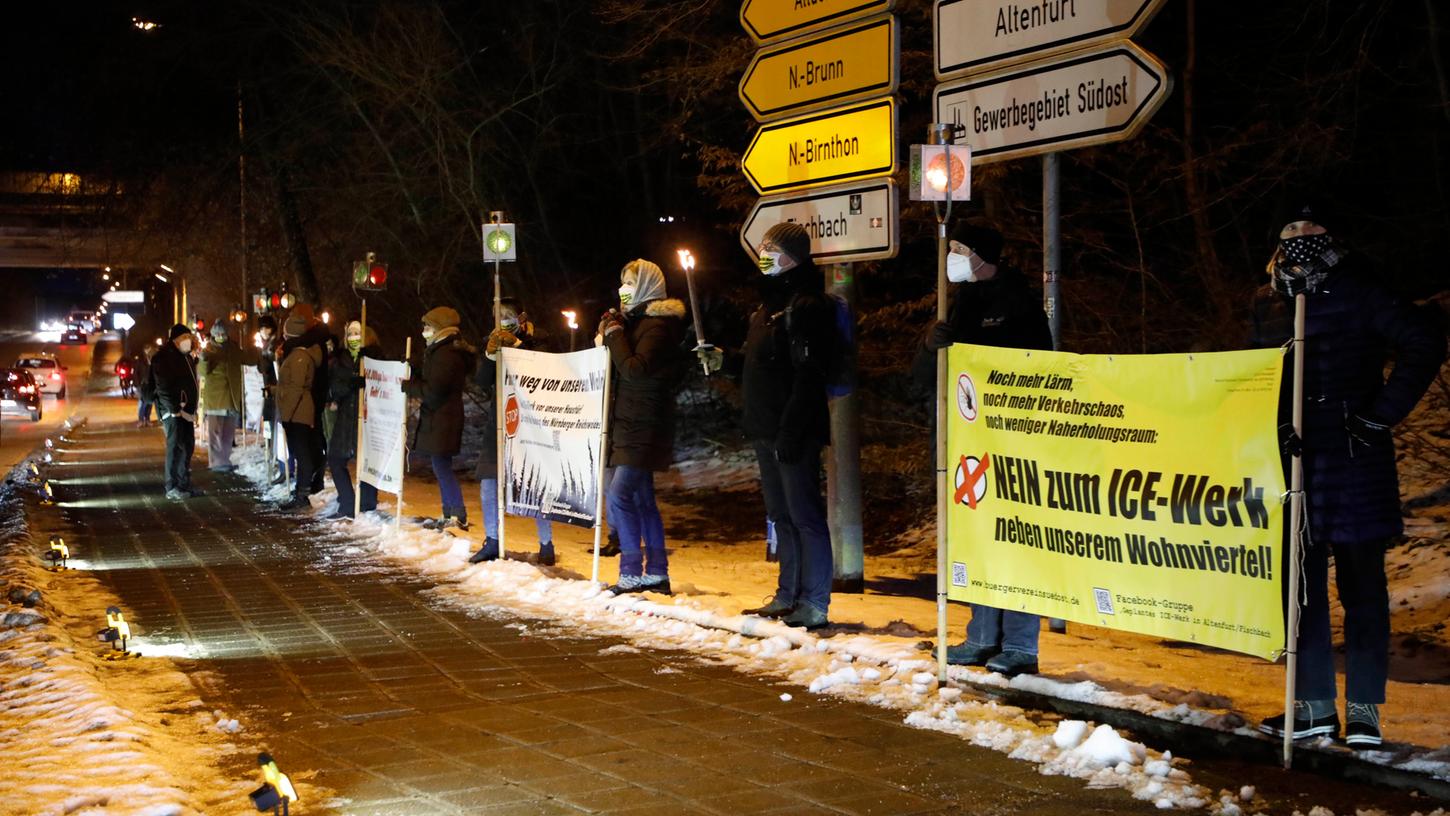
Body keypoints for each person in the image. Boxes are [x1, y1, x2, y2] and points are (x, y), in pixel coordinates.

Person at [1250, 200, 1444, 748]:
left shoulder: (1360, 287)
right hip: (1295, 465)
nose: (1302, 238)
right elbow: (1254, 375)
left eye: (1313, 229)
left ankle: (1364, 711)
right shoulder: (1269, 302)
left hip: (1356, 461)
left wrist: (1379, 414)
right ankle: (1311, 706)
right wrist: (1270, 425)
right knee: (1300, 590)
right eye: (1291, 229)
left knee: (1363, 589)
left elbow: (1424, 340)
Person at [915, 223, 1054, 678]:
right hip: (974, 439)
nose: (952, 256)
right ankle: (981, 637)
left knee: (1017, 541)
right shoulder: (966, 300)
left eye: (960, 249)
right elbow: (932, 372)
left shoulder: (1018, 300)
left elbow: (1038, 364)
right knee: (981, 541)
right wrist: (932, 344)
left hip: (1015, 438)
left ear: (983, 255)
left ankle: (1019, 644)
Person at [737, 223, 836, 629]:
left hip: (793, 430)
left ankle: (815, 601)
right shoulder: (766, 309)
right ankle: (787, 594)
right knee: (781, 515)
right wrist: (724, 361)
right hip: (766, 428)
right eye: (762, 246)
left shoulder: (807, 306)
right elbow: (764, 366)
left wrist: (792, 431)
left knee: (805, 515)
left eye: (772, 247)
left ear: (793, 256)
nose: (762, 252)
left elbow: (808, 375)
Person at [599, 259, 685, 595]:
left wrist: (617, 335)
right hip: (631, 422)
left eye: (631, 284)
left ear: (648, 287)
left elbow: (636, 369)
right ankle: (658, 573)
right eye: (622, 283)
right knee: (642, 499)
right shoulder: (639, 323)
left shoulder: (657, 327)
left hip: (645, 424)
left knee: (619, 495)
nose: (623, 290)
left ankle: (631, 570)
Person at [469, 298, 558, 565]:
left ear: (521, 316)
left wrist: (518, 348)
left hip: (530, 423)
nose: (503, 320)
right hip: (500, 420)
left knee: (534, 485)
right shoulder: (494, 341)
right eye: (498, 315)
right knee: (489, 481)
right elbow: (481, 382)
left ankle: (546, 543)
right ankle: (493, 540)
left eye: (507, 315)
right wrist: (489, 355)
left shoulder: (539, 341)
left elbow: (544, 373)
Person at [404, 306, 476, 530]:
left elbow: (435, 390)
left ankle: (456, 513)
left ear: (439, 328)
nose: (424, 331)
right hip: (443, 418)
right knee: (441, 466)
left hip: (443, 419)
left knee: (442, 467)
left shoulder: (445, 354)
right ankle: (451, 511)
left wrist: (410, 386)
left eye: (427, 326)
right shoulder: (441, 351)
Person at [326, 320, 383, 520]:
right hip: (346, 417)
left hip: (369, 416)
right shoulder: (340, 359)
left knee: (367, 461)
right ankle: (348, 502)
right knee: (335, 459)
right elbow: (334, 387)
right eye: (349, 334)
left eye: (357, 334)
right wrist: (350, 383)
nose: (352, 338)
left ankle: (368, 504)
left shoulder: (375, 357)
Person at [275, 314, 325, 511]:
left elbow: (296, 387)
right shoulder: (299, 355)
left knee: (301, 453)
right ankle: (301, 493)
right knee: (300, 452)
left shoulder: (299, 357)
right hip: (298, 411)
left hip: (297, 412)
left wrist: (286, 415)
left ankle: (302, 495)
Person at [150, 324, 203, 499]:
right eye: (185, 338)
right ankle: (172, 485)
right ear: (176, 340)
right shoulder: (164, 358)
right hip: (173, 412)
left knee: (187, 446)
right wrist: (173, 409)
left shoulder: (185, 357)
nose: (188, 341)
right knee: (176, 447)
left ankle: (183, 483)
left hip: (185, 411)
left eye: (189, 338)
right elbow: (162, 386)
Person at [197, 320, 257, 472]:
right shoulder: (209, 350)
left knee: (228, 433)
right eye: (217, 334)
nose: (221, 337)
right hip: (216, 399)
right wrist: (203, 359)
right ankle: (217, 462)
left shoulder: (233, 348)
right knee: (216, 432)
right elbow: (202, 372)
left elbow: (247, 359)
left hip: (231, 397)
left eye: (223, 334)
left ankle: (224, 460)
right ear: (213, 335)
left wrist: (258, 352)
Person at [135, 344, 157, 428]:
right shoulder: (140, 360)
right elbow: (136, 373)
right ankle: (141, 420)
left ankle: (147, 419)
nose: (148, 351)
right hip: (142, 385)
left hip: (150, 385)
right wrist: (138, 384)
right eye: (147, 350)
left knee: (149, 402)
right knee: (143, 402)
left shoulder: (153, 360)